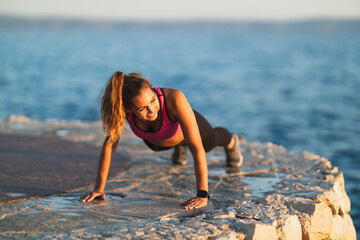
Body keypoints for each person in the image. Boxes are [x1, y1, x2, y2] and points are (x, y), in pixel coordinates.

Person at [79, 71, 243, 209]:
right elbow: (109, 146)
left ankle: (232, 141)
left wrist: (202, 194)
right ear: (128, 109)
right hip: (158, 142)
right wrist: (99, 189)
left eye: (152, 100)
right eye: (142, 109)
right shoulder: (122, 111)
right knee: (156, 147)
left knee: (211, 141)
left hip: (187, 130)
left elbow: (196, 147)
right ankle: (179, 146)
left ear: (153, 91)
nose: (151, 110)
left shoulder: (174, 98)